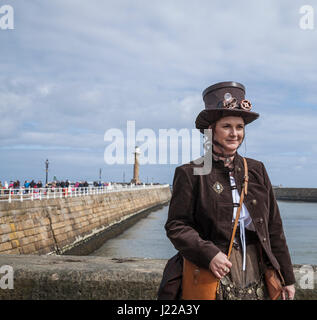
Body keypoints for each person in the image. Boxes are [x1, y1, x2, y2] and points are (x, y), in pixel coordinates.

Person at [158, 81, 296, 300]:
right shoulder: (189, 172)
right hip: (209, 271)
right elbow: (176, 226)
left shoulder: (257, 169)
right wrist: (209, 254)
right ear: (211, 130)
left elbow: (274, 228)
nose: (235, 133)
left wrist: (287, 278)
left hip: (256, 268)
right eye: (227, 126)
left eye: (239, 127)